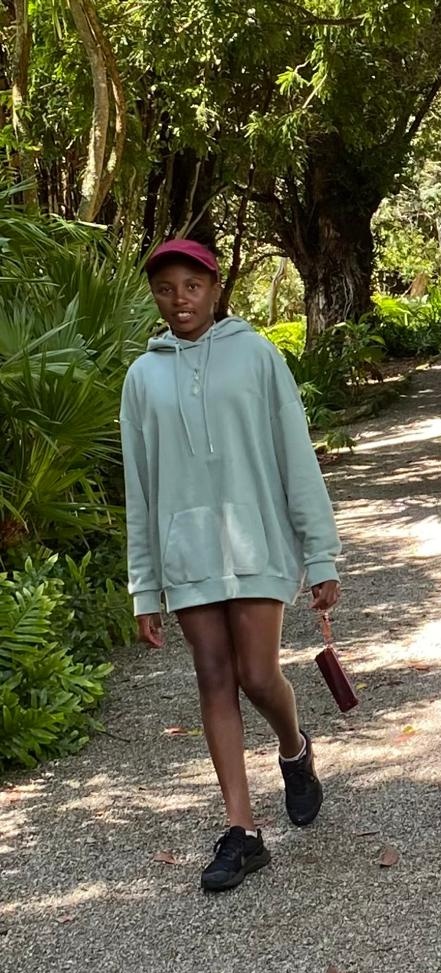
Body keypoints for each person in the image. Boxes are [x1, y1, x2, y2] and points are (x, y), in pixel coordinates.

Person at [120, 239, 341, 891]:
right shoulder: (142, 377)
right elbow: (140, 486)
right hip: (185, 551)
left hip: (257, 540)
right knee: (213, 675)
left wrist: (319, 552)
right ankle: (242, 832)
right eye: (165, 289)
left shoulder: (257, 355)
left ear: (216, 288)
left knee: (257, 674)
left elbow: (294, 453)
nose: (179, 300)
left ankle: (294, 749)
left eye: (192, 286)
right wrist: (144, 586)